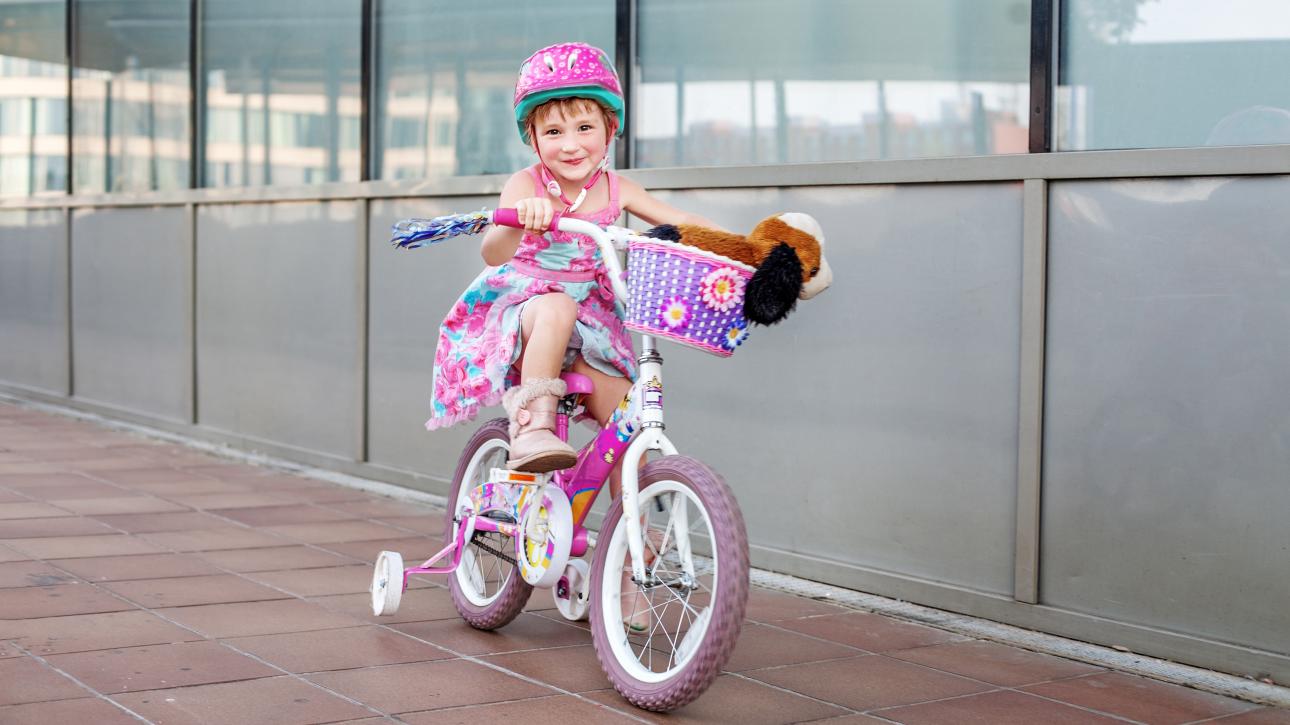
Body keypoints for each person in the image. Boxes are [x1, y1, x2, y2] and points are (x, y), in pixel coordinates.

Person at [427, 41, 717, 474]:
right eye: (554, 132)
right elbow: (493, 252)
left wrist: (748, 247)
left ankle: (636, 530)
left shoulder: (619, 189)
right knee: (557, 306)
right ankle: (532, 426)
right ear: (534, 139)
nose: (570, 145)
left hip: (589, 328)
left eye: (584, 128)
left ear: (609, 129)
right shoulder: (526, 184)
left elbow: (682, 221)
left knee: (627, 414)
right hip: (525, 317)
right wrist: (518, 221)